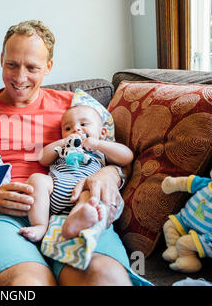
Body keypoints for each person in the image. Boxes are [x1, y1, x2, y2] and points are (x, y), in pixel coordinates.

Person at [0, 20, 151, 286]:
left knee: (106, 278)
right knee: (28, 284)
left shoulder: (76, 107)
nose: (20, 77)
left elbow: (117, 158)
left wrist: (109, 174)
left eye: (32, 67)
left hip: (73, 207)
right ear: (1, 59)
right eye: (11, 64)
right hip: (9, 215)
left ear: (48, 67)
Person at [18, 104, 134, 243]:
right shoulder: (63, 147)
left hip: (84, 188)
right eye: (68, 128)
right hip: (54, 189)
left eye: (84, 124)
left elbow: (127, 157)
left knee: (90, 196)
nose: (76, 129)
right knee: (37, 179)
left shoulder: (100, 150)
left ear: (102, 133)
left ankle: (75, 221)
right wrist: (62, 142)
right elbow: (42, 158)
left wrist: (98, 144)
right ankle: (40, 225)